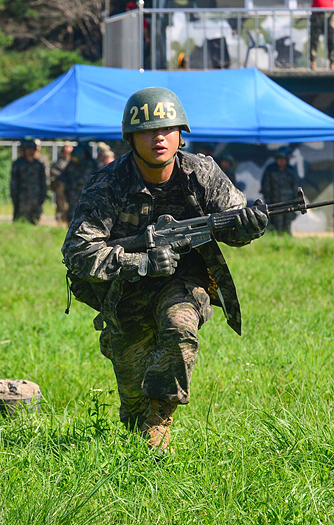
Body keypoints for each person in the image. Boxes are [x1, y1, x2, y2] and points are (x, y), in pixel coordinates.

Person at [62, 87, 267, 455]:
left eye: (167, 129)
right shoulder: (108, 185)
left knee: (179, 327)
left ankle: (161, 418)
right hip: (124, 291)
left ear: (181, 134)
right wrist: (138, 262)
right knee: (132, 404)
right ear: (130, 138)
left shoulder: (201, 172)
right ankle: (142, 415)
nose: (158, 137)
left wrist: (249, 226)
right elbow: (78, 251)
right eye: (147, 131)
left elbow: (231, 224)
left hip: (185, 280)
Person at [261, 147, 299, 234]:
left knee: (287, 225)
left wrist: (296, 202)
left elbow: (295, 187)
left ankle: (286, 241)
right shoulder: (270, 170)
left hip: (289, 203)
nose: (281, 161)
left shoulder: (291, 171)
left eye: (283, 159)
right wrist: (268, 202)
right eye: (279, 159)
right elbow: (266, 186)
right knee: (275, 226)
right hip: (275, 203)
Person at [10, 138, 48, 224]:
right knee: (21, 221)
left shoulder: (39, 165)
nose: (30, 151)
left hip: (36, 198)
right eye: (28, 149)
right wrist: (14, 197)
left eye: (32, 149)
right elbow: (14, 182)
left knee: (35, 221)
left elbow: (43, 182)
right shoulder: (18, 164)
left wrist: (43, 196)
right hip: (22, 198)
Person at [60, 145, 98, 222]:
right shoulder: (71, 164)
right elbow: (64, 175)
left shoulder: (89, 164)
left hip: (86, 195)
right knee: (72, 213)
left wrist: (71, 185)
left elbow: (84, 179)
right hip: (72, 195)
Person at [50, 143, 74, 227]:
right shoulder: (59, 162)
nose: (69, 149)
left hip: (72, 190)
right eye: (67, 147)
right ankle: (60, 224)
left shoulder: (74, 162)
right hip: (61, 189)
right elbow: (53, 177)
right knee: (61, 207)